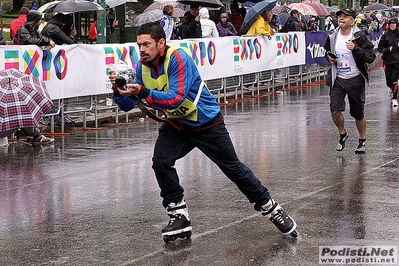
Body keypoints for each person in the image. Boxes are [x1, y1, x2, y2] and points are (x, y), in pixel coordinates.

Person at [108, 22, 298, 242]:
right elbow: (127, 106)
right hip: (177, 124)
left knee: (233, 169)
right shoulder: (141, 67)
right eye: (139, 44)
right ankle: (179, 215)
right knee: (161, 161)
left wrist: (143, 91)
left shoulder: (178, 58)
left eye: (146, 44)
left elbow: (175, 98)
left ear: (161, 43)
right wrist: (118, 91)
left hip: (205, 122)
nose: (141, 49)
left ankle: (272, 209)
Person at [323, 7, 376, 153]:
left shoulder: (359, 36)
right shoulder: (333, 35)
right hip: (338, 78)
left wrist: (356, 49)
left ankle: (362, 140)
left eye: (345, 17)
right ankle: (342, 134)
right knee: (335, 110)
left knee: (358, 114)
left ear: (352, 21)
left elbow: (371, 57)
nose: (341, 18)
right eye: (340, 16)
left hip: (355, 79)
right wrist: (329, 57)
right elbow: (325, 51)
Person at [12, 10, 55, 145]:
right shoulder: (23, 29)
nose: (40, 22)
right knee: (21, 103)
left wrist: (44, 42)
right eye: (39, 20)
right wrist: (46, 41)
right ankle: (33, 134)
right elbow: (29, 41)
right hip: (21, 67)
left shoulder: (34, 30)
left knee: (27, 101)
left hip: (29, 68)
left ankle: (33, 134)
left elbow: (37, 39)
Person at [378, 17, 399, 107]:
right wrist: (387, 50)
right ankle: (391, 88)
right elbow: (380, 48)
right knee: (388, 81)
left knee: (394, 80)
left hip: (397, 62)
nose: (392, 25)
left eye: (394, 23)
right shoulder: (385, 35)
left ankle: (394, 98)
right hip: (387, 61)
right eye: (390, 23)